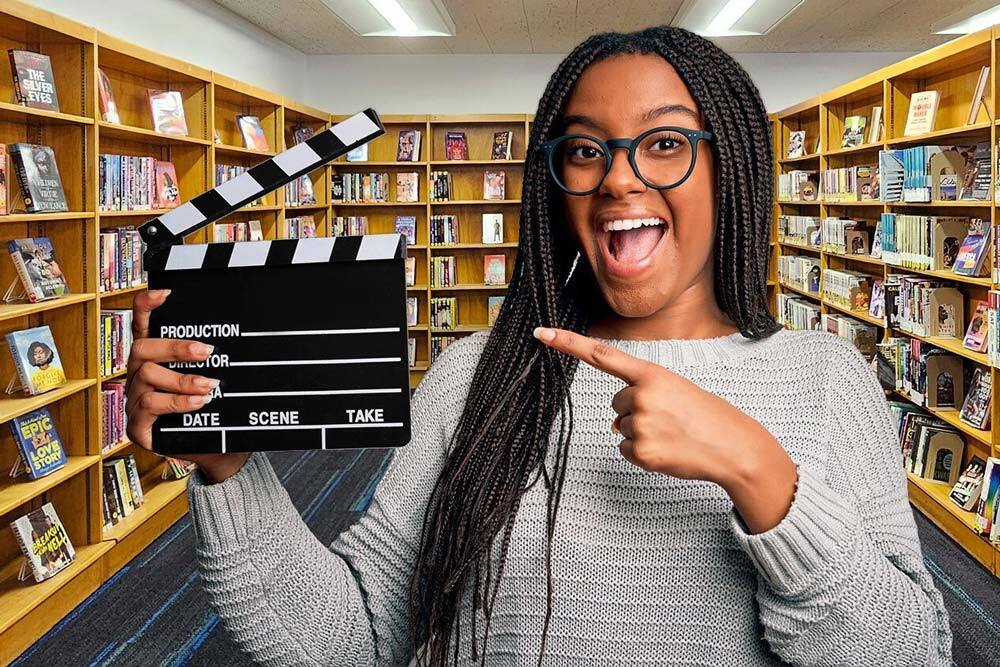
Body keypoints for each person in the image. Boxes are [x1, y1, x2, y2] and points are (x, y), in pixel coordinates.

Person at [125, 26, 952, 667]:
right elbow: (353, 639)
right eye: (585, 150)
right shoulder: (472, 374)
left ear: (728, 166)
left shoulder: (826, 378)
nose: (619, 178)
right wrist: (226, 468)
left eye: (664, 142)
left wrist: (761, 474)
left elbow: (916, 651)